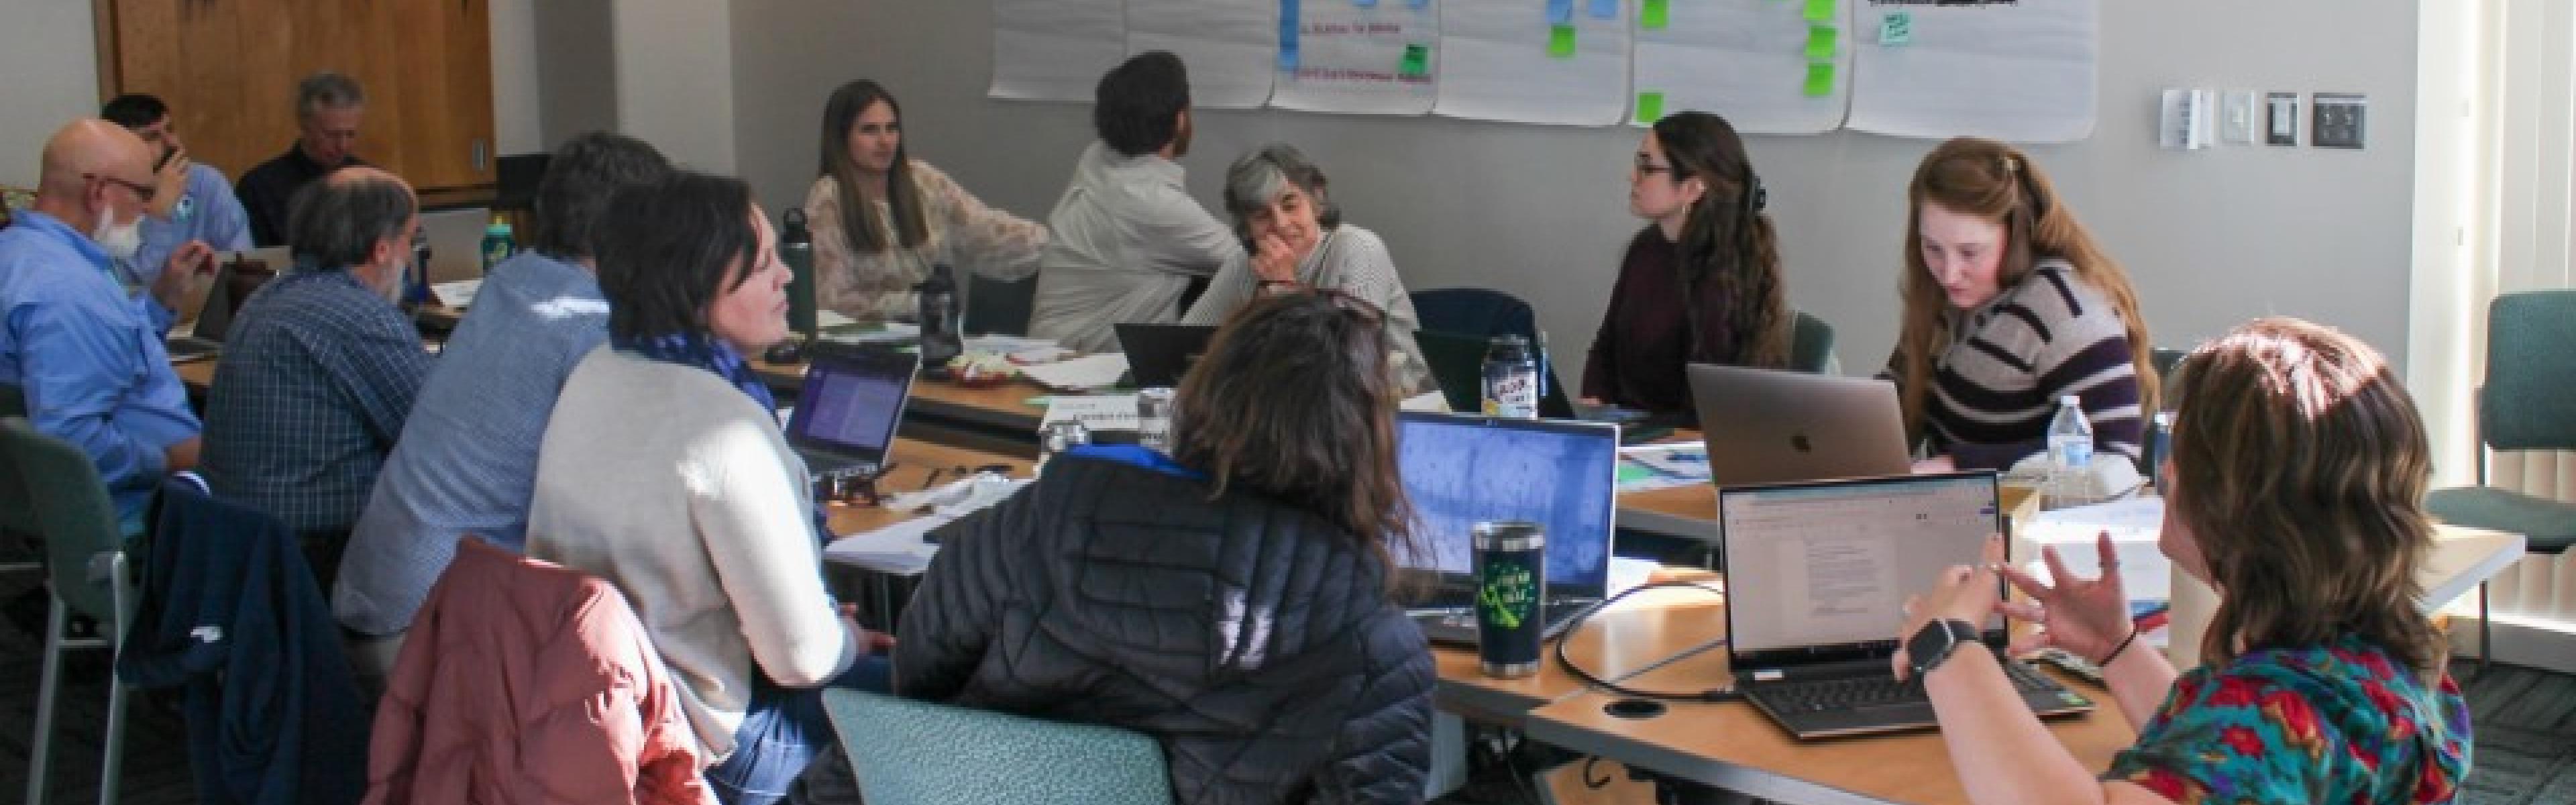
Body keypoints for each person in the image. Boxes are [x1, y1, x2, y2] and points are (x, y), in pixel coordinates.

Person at [881, 292, 1436, 804]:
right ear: (1367, 445)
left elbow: (917, 675)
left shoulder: (1037, 517)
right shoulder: (1374, 644)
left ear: (1203, 396)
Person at [1892, 317, 2470, 804]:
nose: (2166, 470)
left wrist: (1948, 648)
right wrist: (2116, 648)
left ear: (2238, 504)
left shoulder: (2278, 709)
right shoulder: (2382, 665)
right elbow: (2217, 767)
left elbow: (2247, 741)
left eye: (2183, 449)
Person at [526, 172, 885, 805]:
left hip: (601, 712)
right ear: (692, 285)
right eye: (762, 267)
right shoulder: (722, 423)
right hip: (720, 742)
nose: (787, 278)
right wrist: (844, 640)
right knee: (949, 693)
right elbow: (800, 660)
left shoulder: (597, 370)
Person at [338, 132, 672, 641]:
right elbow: (621, 498)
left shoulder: (512, 279)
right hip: (432, 630)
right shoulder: (588, 326)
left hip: (376, 585)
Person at [200, 166, 431, 588]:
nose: (412, 254)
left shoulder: (269, 294)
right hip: (318, 552)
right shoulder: (360, 317)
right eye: (410, 239)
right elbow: (436, 439)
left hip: (243, 544)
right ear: (382, 249)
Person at [1886, 138, 2155, 472]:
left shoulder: (2065, 311)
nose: (1949, 272)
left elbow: (2114, 455)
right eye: (1933, 249)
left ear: (2015, 237)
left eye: (1970, 252)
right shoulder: (1943, 296)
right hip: (1954, 509)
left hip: (2038, 518)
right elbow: (1899, 396)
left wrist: (1958, 467)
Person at [0, 119, 211, 531]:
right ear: (98, 192)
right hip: (139, 514)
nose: (149, 209)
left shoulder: (21, 254)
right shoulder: (67, 293)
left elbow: (106, 357)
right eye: (144, 194)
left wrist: (161, 302)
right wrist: (168, 459)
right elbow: (70, 443)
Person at [1581, 111, 1792, 420]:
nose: (1632, 176)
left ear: (1693, 188)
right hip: (1632, 430)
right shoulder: (1645, 249)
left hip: (1684, 444)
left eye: (1646, 167)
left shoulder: (1721, 272)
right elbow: (1606, 346)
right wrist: (1594, 404)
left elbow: (1707, 405)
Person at [1028, 51, 1241, 352]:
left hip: (1043, 356)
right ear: (1181, 120)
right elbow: (1248, 260)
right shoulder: (1151, 204)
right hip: (1091, 373)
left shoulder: (1096, 158)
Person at [1183, 143, 1432, 394]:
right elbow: (1183, 347)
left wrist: (1285, 292)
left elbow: (1348, 361)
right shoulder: (1243, 264)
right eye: (1262, 216)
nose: (1280, 224)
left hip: (1390, 404)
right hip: (1290, 407)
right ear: (1246, 226)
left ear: (1316, 201)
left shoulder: (1358, 247)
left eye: (1290, 206)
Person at [806, 79, 1046, 323]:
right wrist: (918, 304)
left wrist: (1056, 244)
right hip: (868, 340)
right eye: (870, 130)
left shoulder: (922, 180)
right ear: (841, 137)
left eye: (892, 128)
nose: (885, 141)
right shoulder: (828, 199)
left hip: (934, 331)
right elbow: (831, 300)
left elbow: (984, 230)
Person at [100, 93, 253, 289]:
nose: (173, 144)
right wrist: (158, 216)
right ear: (120, 148)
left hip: (205, 308)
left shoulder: (204, 182)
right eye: (152, 137)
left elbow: (243, 264)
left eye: (170, 130)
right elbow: (133, 285)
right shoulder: (104, 197)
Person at [238, 71, 368, 246]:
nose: (342, 146)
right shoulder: (259, 187)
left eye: (351, 134)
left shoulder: (372, 183)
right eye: (331, 135)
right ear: (305, 126)